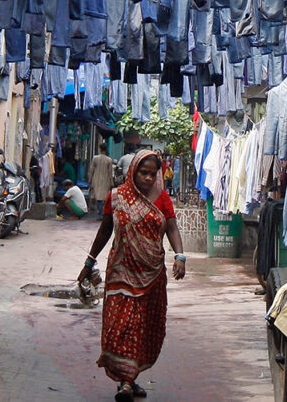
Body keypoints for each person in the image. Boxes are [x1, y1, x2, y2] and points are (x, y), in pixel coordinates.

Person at [78, 150, 186, 401]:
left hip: (152, 274)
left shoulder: (162, 198)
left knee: (144, 326)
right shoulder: (116, 198)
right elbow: (105, 231)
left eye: (152, 173)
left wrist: (180, 256)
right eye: (143, 172)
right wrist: (88, 261)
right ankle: (125, 381)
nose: (148, 178)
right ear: (133, 171)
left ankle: (130, 377)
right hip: (121, 271)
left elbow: (171, 226)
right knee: (123, 324)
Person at [89, 145, 115, 217]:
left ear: (100, 149)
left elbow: (91, 170)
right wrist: (111, 183)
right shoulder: (109, 160)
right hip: (105, 181)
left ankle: (101, 213)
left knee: (98, 198)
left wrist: (90, 179)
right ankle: (102, 213)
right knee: (104, 198)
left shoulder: (95, 158)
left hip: (96, 180)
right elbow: (110, 173)